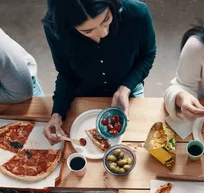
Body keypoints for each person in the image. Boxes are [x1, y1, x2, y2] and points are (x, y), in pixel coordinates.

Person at [42, 0, 156, 144]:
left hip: (130, 88)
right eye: (87, 31)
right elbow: (66, 73)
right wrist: (57, 113)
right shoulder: (56, 29)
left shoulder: (137, 13)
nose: (103, 32)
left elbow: (147, 55)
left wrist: (126, 88)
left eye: (106, 19)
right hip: (85, 93)